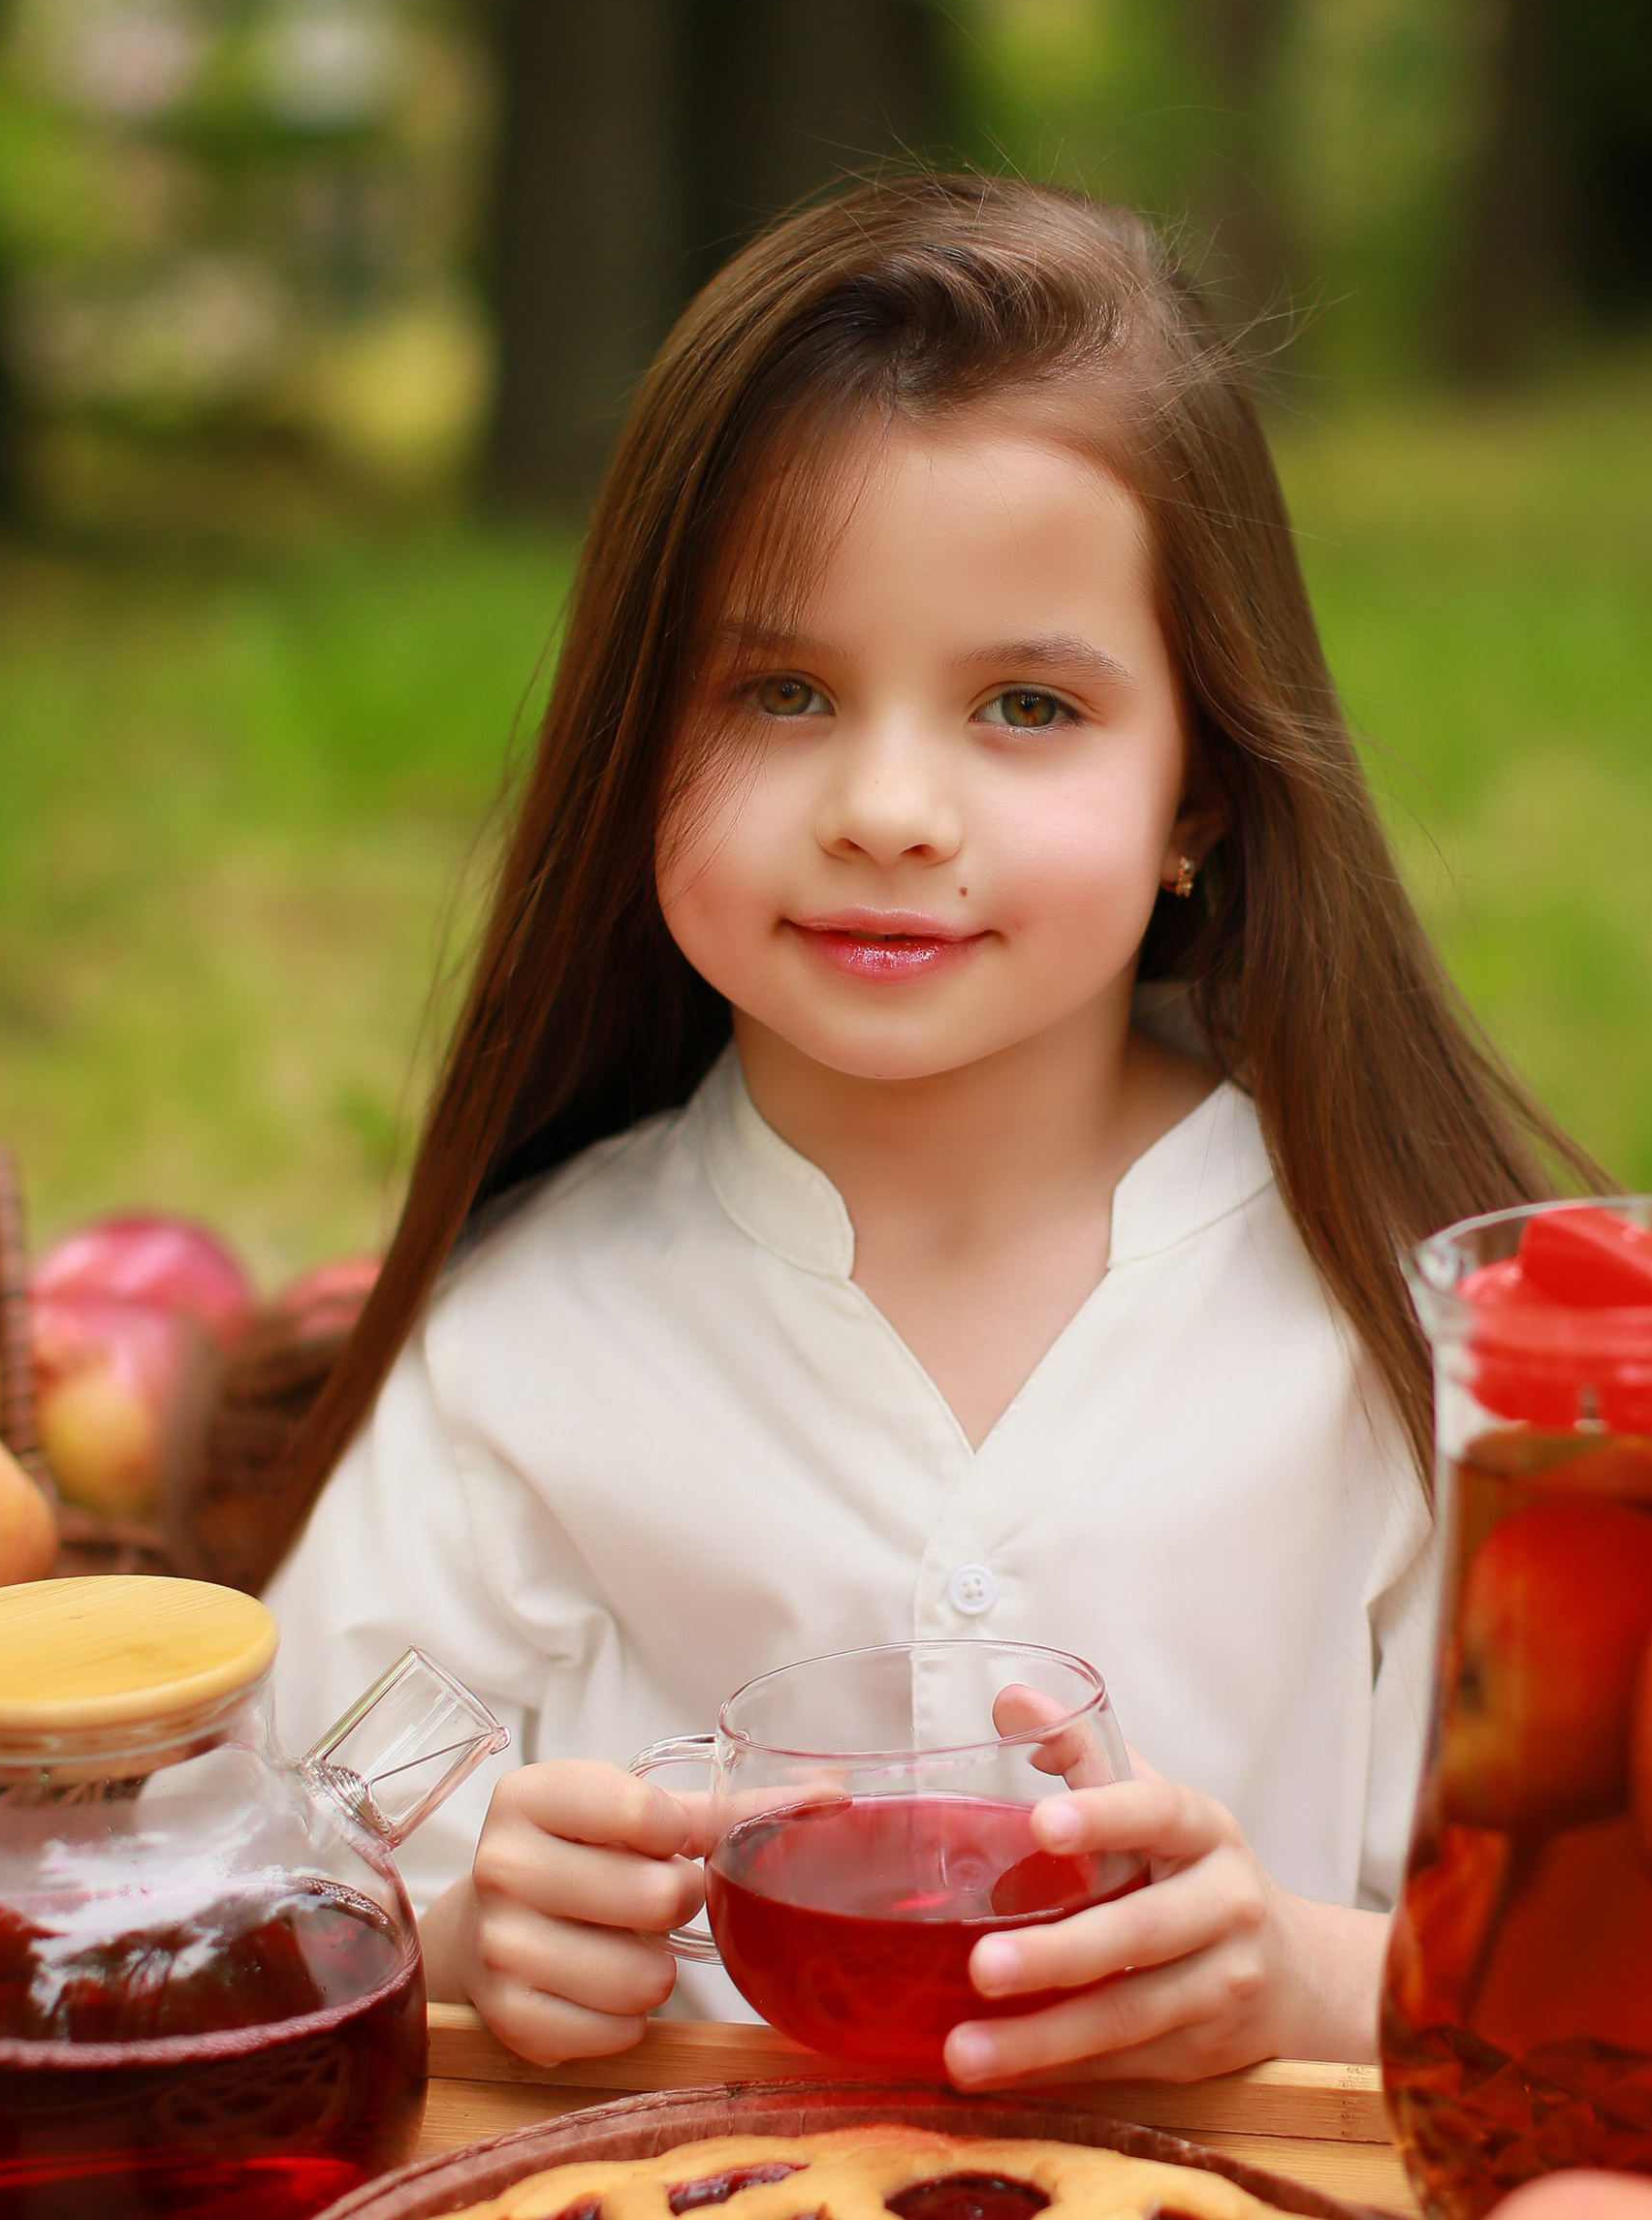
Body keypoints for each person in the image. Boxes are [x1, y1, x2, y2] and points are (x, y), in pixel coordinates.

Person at [267, 176, 1584, 2081]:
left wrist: (1291, 1976)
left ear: (1198, 783)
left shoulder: (1407, 1336)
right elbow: (289, 1873)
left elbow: (1628, 1981)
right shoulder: (520, 1343)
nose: (886, 806)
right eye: (780, 689)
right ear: (637, 732)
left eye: (1024, 705)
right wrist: (472, 1929)